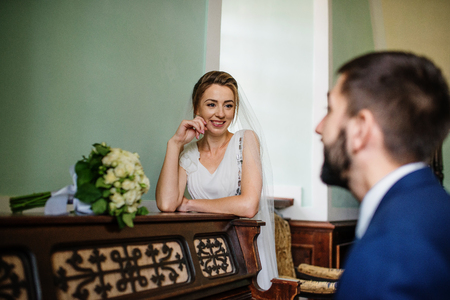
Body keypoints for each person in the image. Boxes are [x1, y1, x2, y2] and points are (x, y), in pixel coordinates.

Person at [315, 51, 450, 299]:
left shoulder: (384, 259)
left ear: (361, 130)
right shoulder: (438, 208)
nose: (319, 128)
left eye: (330, 109)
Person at [156, 71, 278, 290]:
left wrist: (190, 204)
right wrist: (174, 144)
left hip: (245, 251)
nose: (221, 114)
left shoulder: (246, 140)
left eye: (228, 106)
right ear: (197, 109)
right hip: (204, 253)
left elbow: (249, 206)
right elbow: (166, 204)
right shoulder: (188, 154)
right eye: (212, 105)